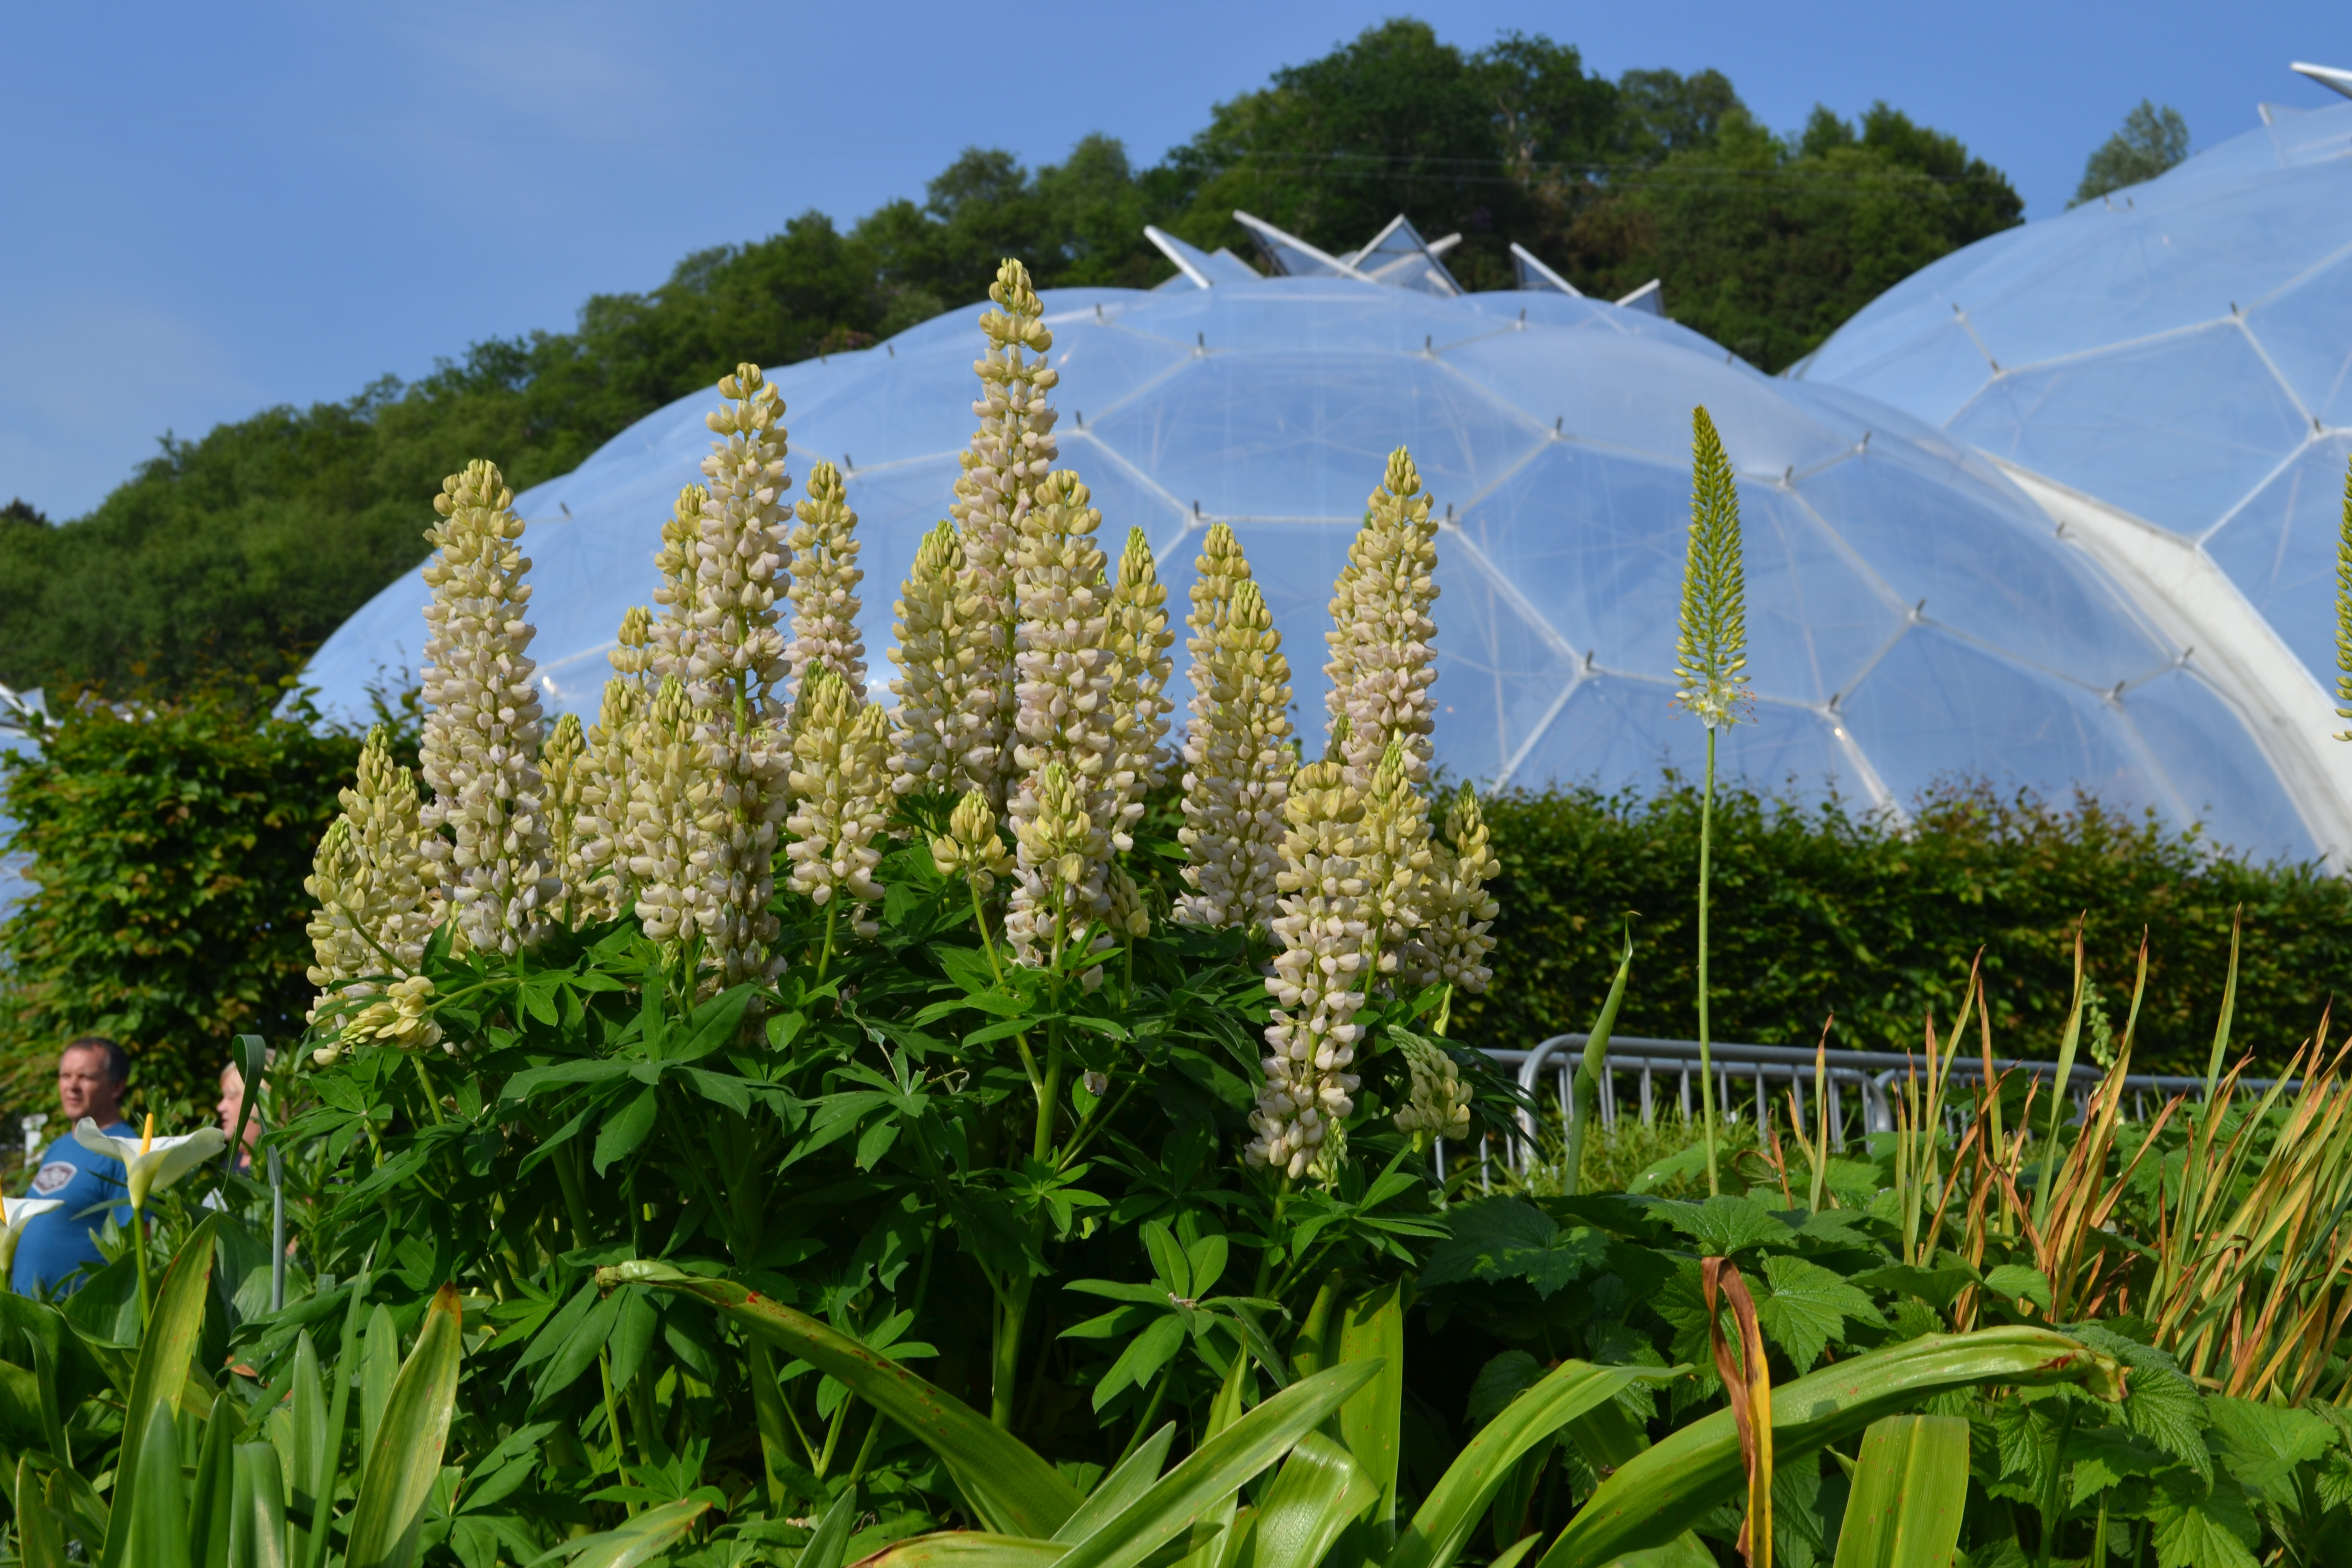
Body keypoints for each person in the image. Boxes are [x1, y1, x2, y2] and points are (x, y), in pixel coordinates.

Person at [12, 1036, 135, 1296]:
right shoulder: (59, 1146)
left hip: (77, 1321)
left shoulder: (125, 1151)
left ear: (117, 1086)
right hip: (29, 1315)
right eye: (65, 1076)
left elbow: (139, 1246)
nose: (72, 1086)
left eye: (86, 1077)